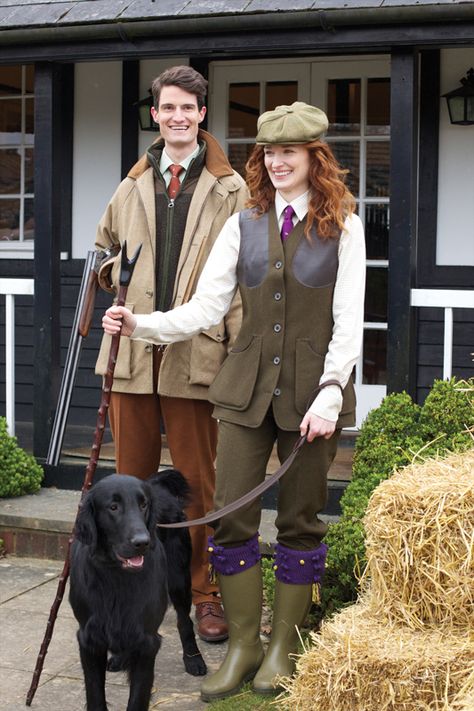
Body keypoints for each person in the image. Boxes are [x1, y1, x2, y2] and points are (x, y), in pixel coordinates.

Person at [102, 101, 366, 701]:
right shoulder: (243, 222)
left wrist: (330, 392)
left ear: (313, 158)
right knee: (231, 516)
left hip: (312, 397)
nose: (276, 162)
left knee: (300, 520)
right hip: (243, 392)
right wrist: (141, 325)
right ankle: (245, 643)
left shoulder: (342, 225)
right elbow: (207, 307)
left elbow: (349, 322)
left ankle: (286, 644)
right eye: (268, 153)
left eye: (288, 153)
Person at [94, 65, 248, 643]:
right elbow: (101, 251)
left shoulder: (232, 189)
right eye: (168, 108)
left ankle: (202, 592)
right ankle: (128, 591)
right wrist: (116, 277)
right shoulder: (131, 185)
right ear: (154, 114)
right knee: (125, 485)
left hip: (197, 354)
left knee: (194, 485)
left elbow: (244, 281)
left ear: (202, 114)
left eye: (189, 108)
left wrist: (235, 353)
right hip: (132, 355)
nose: (178, 117)